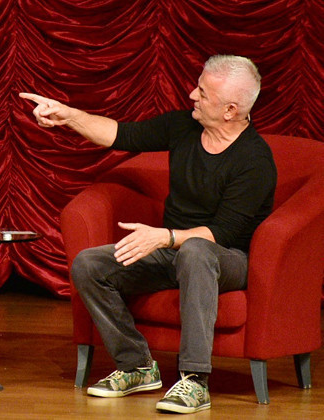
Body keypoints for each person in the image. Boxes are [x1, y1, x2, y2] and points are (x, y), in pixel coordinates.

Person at [20, 55, 276, 414]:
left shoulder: (254, 160)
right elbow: (121, 134)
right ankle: (136, 365)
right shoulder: (184, 126)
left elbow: (223, 232)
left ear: (230, 110)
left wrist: (164, 237)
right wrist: (68, 115)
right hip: (173, 252)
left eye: (203, 93)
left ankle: (194, 380)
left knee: (197, 251)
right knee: (90, 265)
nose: (192, 95)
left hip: (226, 259)